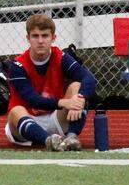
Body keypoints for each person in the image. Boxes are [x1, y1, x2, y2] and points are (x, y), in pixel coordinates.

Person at [5, 13, 97, 152]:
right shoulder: (18, 65)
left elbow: (89, 78)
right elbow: (32, 100)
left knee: (77, 88)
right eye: (35, 36)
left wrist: (80, 98)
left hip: (55, 118)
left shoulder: (60, 57)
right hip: (27, 120)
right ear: (28, 38)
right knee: (15, 111)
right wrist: (63, 103)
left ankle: (71, 138)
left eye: (45, 36)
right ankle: (49, 141)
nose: (40, 41)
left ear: (53, 38)